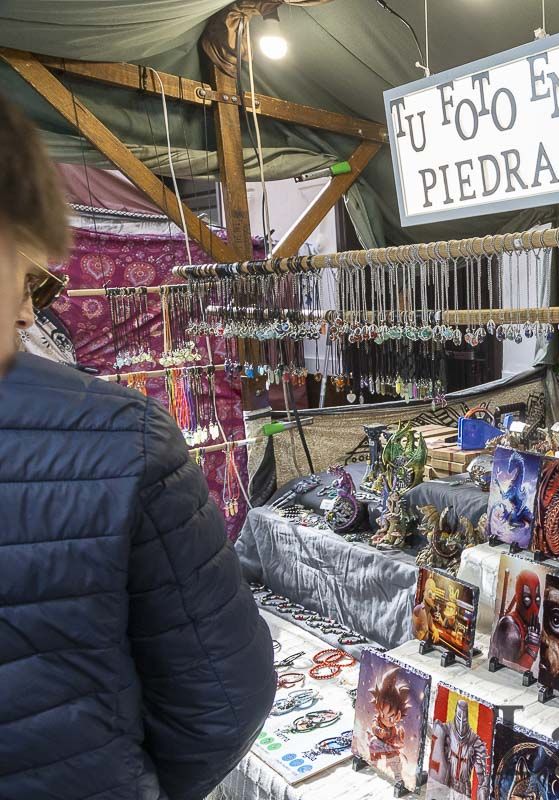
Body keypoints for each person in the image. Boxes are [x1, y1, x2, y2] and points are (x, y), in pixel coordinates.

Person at [0, 94, 275, 799]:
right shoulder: (118, 438)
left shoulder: (117, 443)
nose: (33, 309)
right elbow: (223, 704)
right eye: (28, 276)